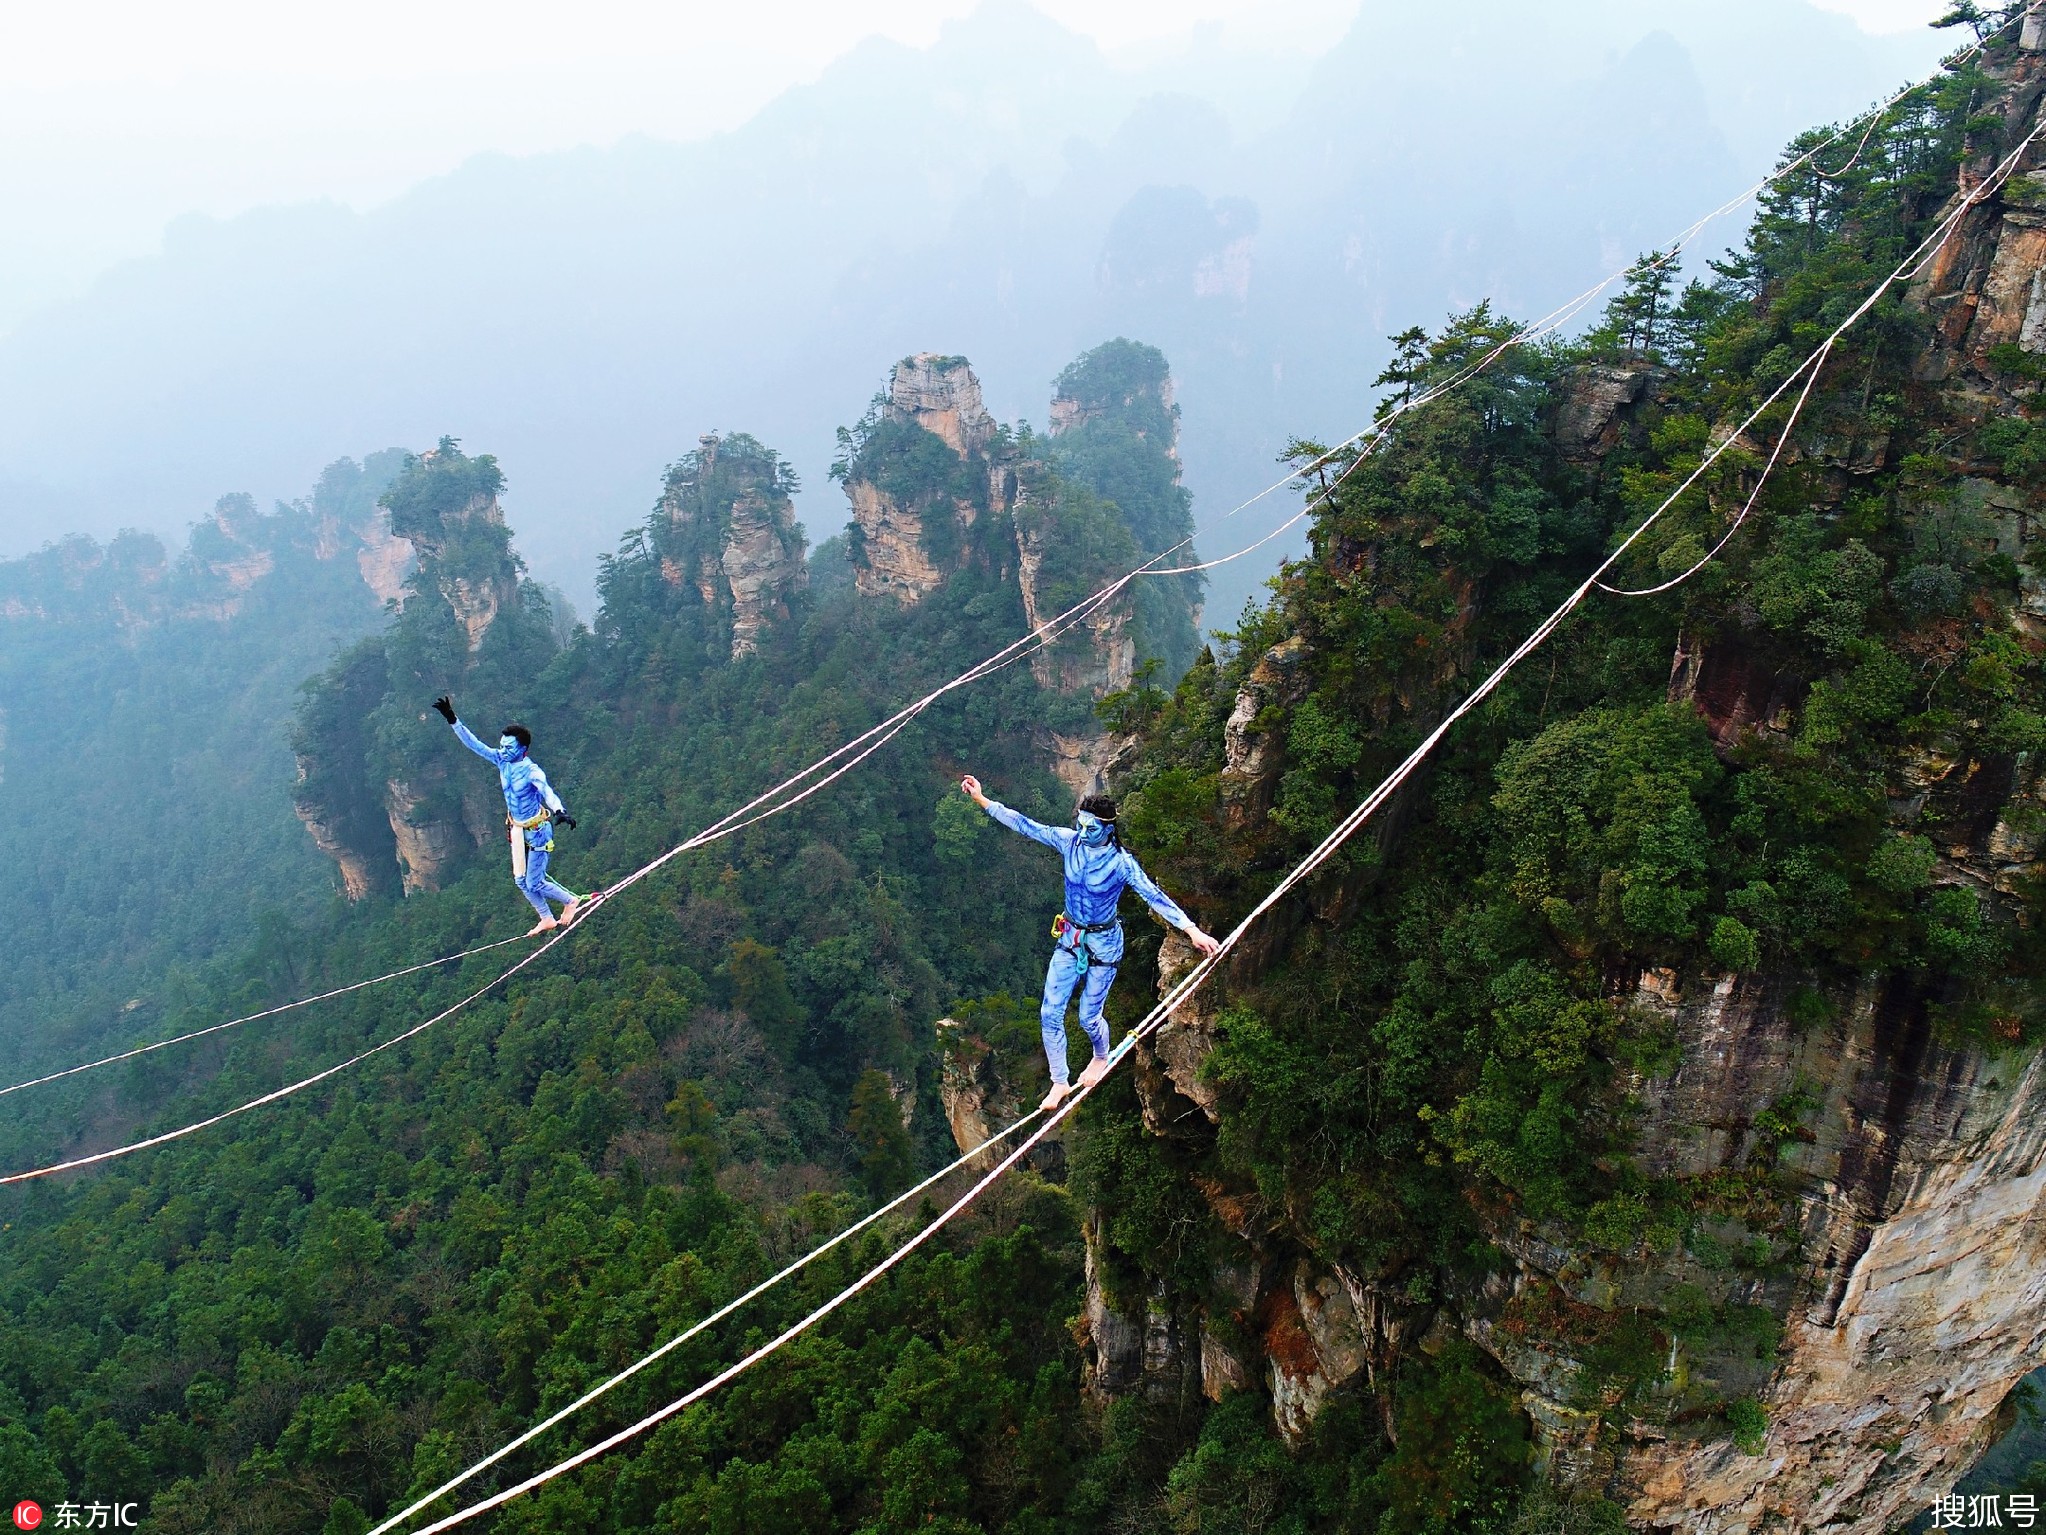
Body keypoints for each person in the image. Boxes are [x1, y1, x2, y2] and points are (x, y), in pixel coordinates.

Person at [961, 775, 1221, 1112]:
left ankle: (1100, 1056)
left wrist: (1191, 930)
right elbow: (1025, 825)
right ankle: (1059, 1081)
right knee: (1049, 1013)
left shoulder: (1121, 863)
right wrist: (982, 800)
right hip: (1071, 937)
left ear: (1108, 829)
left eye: (1092, 828)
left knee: (1088, 1017)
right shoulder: (1070, 842)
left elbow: (1153, 896)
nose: (1085, 833)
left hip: (1104, 944)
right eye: (1081, 825)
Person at [434, 696, 587, 934]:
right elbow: (475, 745)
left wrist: (560, 810)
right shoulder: (501, 761)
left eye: (509, 747)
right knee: (520, 881)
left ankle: (569, 901)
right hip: (517, 829)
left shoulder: (530, 770)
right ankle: (546, 917)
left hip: (537, 831)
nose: (503, 750)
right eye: (502, 746)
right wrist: (453, 720)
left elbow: (546, 789)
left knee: (535, 881)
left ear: (523, 749)